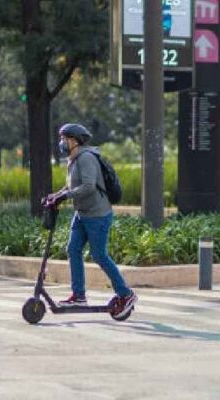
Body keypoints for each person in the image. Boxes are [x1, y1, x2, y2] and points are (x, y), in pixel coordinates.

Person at [45, 123, 137, 318]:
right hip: (82, 213)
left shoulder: (86, 158)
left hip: (98, 215)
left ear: (74, 140)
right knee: (73, 249)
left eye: (64, 139)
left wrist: (66, 196)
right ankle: (79, 295)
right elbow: (71, 185)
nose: (61, 143)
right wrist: (55, 195)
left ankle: (126, 294)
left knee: (99, 255)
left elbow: (88, 187)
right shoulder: (74, 159)